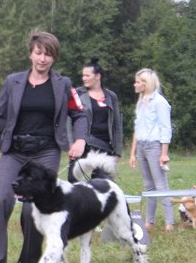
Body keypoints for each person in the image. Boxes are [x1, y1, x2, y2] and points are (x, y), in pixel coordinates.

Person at [0, 31, 87, 263]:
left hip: (46, 151)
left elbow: (78, 114)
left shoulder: (62, 85)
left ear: (54, 58)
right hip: (14, 151)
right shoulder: (13, 82)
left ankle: (29, 261)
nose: (43, 59)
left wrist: (79, 139)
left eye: (48, 54)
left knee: (32, 207)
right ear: (30, 54)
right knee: (2, 198)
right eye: (38, 53)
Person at [127, 67, 174, 231]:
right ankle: (149, 221)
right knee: (148, 186)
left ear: (146, 84)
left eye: (138, 82)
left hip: (154, 147)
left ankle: (170, 223)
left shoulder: (160, 102)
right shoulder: (141, 102)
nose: (135, 84)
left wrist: (164, 153)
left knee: (161, 185)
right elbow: (137, 128)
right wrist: (132, 153)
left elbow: (166, 128)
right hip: (141, 147)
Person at [66, 57, 123, 182]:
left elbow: (117, 125)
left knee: (104, 185)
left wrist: (118, 151)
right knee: (75, 183)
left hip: (104, 148)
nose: (84, 78)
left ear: (98, 76)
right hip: (82, 147)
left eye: (87, 75)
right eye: (83, 75)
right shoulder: (77, 94)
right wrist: (71, 144)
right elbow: (69, 122)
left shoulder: (111, 96)